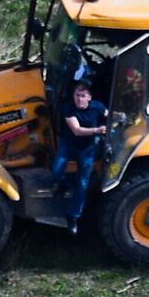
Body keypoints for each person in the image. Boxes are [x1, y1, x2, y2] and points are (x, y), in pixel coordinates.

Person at [51, 81, 107, 234]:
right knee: (56, 171)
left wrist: (118, 117)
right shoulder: (68, 108)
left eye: (82, 96)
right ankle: (65, 184)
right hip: (68, 145)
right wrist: (98, 130)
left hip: (86, 150)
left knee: (83, 184)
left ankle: (73, 217)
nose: (79, 99)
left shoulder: (98, 107)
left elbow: (109, 114)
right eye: (77, 95)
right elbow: (76, 130)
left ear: (89, 97)